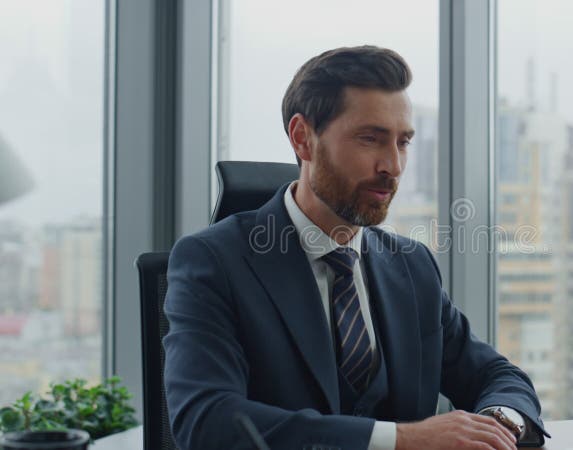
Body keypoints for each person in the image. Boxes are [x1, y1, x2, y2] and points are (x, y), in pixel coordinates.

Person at [163, 45, 548, 450]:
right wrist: (401, 440)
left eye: (402, 143)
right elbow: (207, 421)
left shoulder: (412, 266)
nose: (393, 166)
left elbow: (498, 377)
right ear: (302, 139)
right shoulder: (213, 262)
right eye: (371, 139)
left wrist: (496, 423)